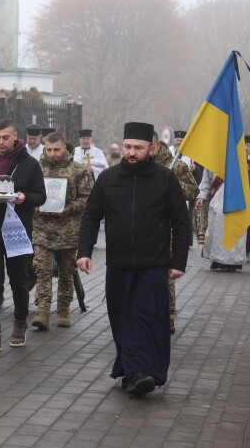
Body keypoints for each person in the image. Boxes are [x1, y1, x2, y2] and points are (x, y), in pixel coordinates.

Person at [77, 122, 190, 397]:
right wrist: (84, 252)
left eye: (138, 148)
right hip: (118, 263)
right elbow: (91, 216)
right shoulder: (109, 178)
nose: (131, 152)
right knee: (121, 319)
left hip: (153, 264)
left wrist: (178, 262)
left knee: (144, 318)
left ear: (151, 149)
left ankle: (142, 372)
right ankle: (132, 372)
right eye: (127, 146)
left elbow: (181, 222)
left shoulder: (166, 179)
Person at [0, 118, 46, 354]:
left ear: (15, 136)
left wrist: (24, 197)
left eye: (5, 137)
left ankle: (19, 323)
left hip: (17, 230)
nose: (0, 142)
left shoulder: (29, 164)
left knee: (18, 280)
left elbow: (41, 196)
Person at [32, 132, 92, 329]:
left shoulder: (77, 170)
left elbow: (88, 198)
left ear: (64, 147)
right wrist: (34, 204)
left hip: (68, 231)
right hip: (42, 230)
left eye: (56, 150)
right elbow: (26, 193)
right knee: (42, 271)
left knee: (67, 272)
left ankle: (64, 309)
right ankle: (42, 310)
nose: (52, 154)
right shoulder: (36, 168)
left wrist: (70, 208)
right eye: (48, 150)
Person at [152, 132, 198, 334]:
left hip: (168, 229)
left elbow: (192, 191)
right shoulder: (139, 165)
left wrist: (172, 182)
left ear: (158, 144)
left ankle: (168, 315)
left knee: (165, 275)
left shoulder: (177, 166)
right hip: (144, 229)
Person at [195, 134, 250, 272]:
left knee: (234, 233)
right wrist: (202, 196)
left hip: (238, 202)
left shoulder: (243, 161)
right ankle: (216, 260)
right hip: (217, 203)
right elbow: (206, 180)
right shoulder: (214, 161)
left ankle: (233, 262)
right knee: (215, 232)